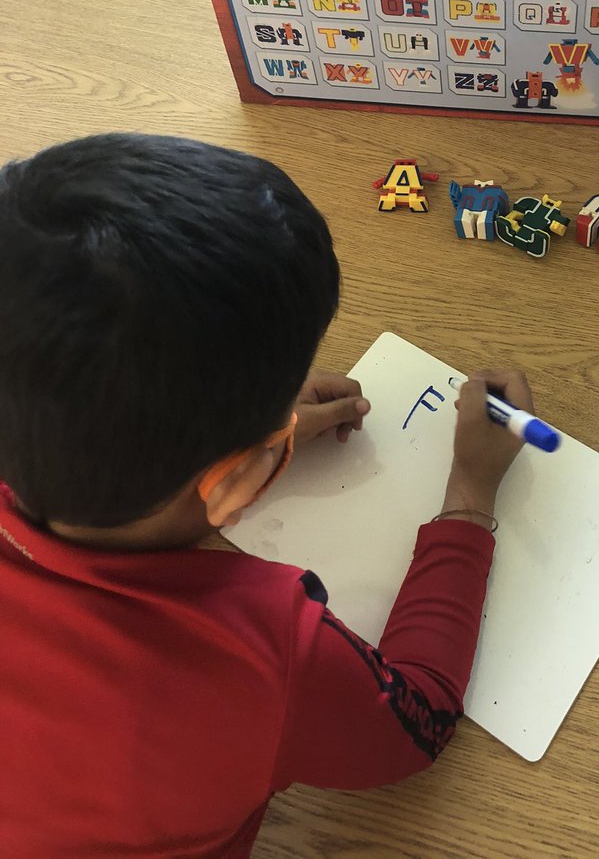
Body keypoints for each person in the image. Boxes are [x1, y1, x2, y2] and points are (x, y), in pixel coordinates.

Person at [0, 133, 533, 859]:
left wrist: (253, 430)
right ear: (240, 480)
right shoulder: (264, 657)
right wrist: (471, 493)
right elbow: (419, 721)